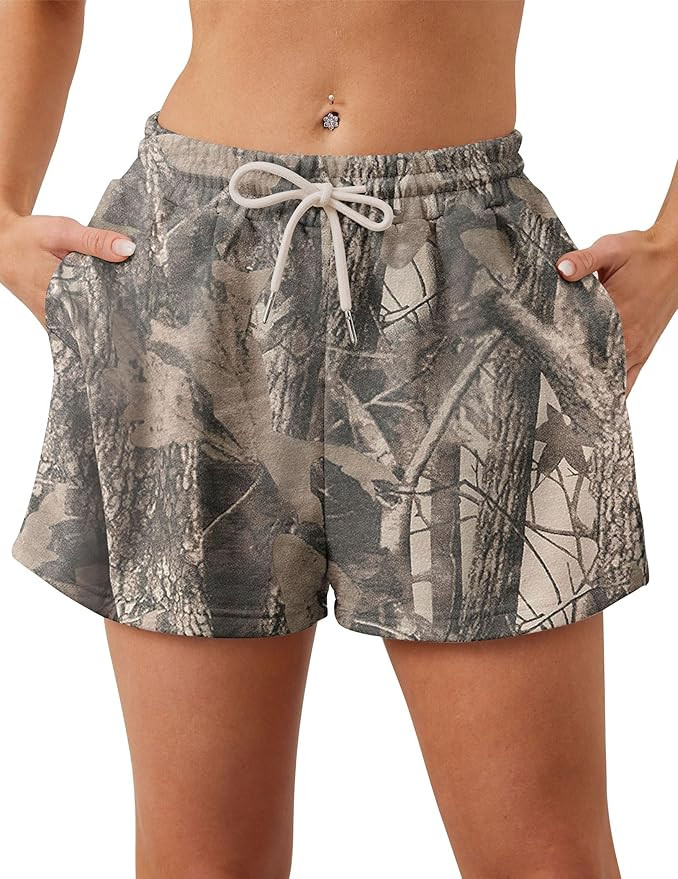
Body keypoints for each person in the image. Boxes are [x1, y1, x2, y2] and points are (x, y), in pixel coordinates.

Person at [0, 2, 675, 877]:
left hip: (466, 269)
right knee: (203, 863)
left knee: (547, 859)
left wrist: (673, 249)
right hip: (197, 270)